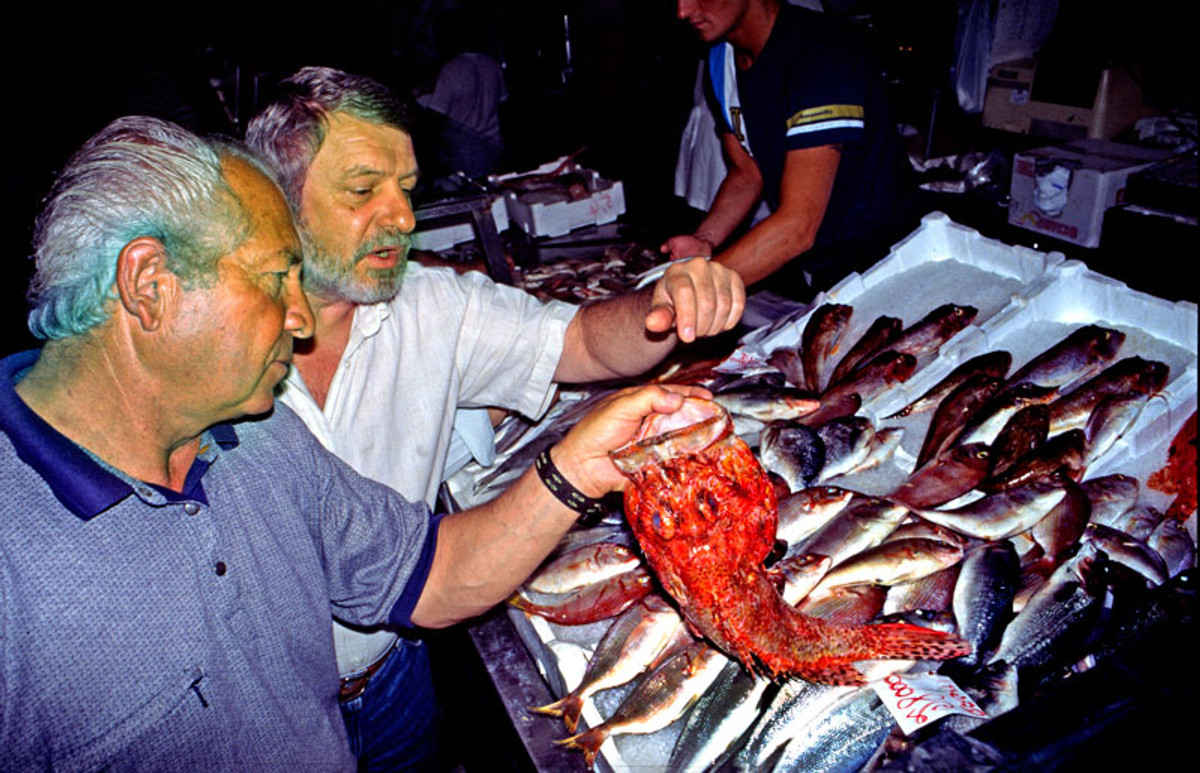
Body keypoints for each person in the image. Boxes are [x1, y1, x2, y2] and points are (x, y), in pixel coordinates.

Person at [0, 115, 701, 770]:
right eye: (277, 278)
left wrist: (574, 467)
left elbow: (432, 574)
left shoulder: (263, 437)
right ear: (150, 285)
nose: (301, 319)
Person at [245, 66, 744, 769]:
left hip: (395, 678)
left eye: (408, 190)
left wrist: (664, 303)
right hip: (262, 715)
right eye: (363, 191)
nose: (403, 219)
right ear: (276, 200)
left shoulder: (428, 304)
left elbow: (582, 341)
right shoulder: (214, 351)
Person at [664, 0, 915, 294]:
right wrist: (705, 239)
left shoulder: (822, 53)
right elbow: (747, 172)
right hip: (823, 267)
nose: (682, 10)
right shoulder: (721, 58)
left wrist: (696, 291)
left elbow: (797, 227)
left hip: (891, 262)